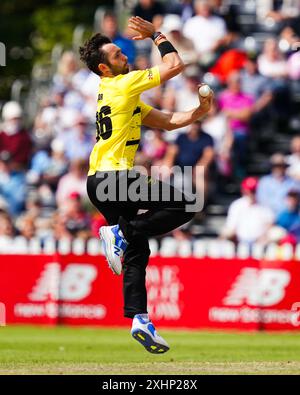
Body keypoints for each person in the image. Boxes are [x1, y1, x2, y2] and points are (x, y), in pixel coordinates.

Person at [79, 16, 213, 353]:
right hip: (115, 179)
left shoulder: (119, 94)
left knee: (137, 251)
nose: (124, 55)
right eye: (116, 56)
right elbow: (175, 64)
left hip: (101, 184)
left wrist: (200, 110)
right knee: (185, 204)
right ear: (104, 68)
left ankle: (140, 319)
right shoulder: (122, 85)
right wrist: (156, 34)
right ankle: (120, 234)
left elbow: (169, 122)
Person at [221, 177, 274, 245]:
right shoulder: (237, 205)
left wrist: (264, 236)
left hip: (260, 242)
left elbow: (270, 225)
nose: (251, 193)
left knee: (276, 234)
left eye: (253, 191)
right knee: (226, 233)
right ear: (243, 191)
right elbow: (231, 227)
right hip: (239, 241)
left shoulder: (264, 205)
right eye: (249, 190)